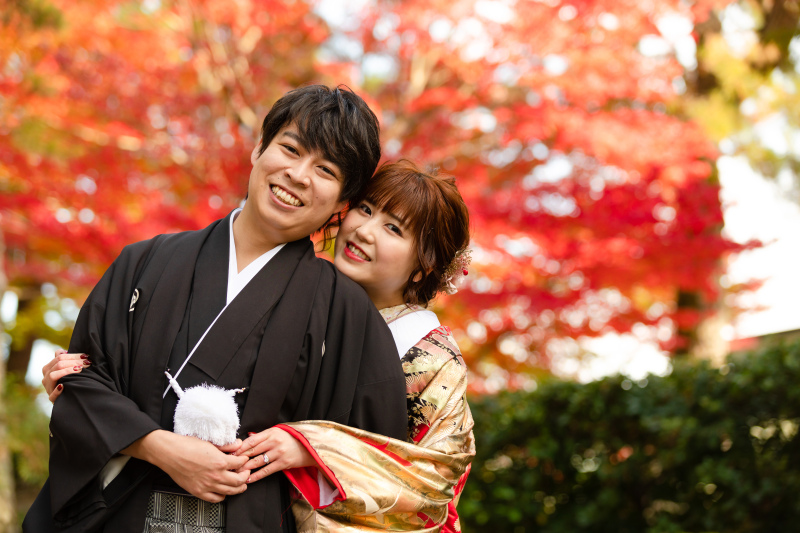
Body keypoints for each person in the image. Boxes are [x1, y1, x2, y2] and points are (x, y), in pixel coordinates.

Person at [24, 85, 408, 533]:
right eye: (289, 148)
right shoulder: (145, 261)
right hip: (116, 517)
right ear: (258, 149)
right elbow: (79, 381)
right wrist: (159, 447)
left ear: (343, 203)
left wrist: (307, 446)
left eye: (325, 169)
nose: (299, 175)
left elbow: (380, 458)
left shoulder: (346, 313)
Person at [44, 160, 476, 531]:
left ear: (426, 264)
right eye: (364, 209)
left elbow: (432, 481)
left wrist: (309, 448)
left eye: (393, 228)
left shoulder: (430, 357)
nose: (364, 230)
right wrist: (86, 388)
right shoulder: (298, 292)